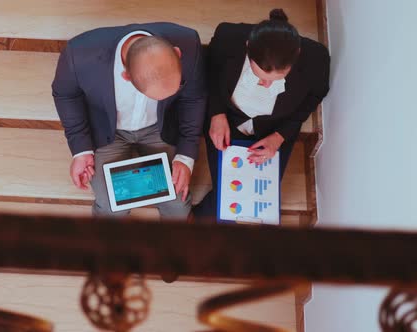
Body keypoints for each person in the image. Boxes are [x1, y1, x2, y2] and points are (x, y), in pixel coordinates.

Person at [52, 23, 206, 220]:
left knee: (177, 204)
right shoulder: (79, 54)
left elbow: (194, 99)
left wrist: (185, 157)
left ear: (177, 53)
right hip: (108, 131)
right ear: (126, 76)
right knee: (111, 208)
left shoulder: (189, 44)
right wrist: (81, 150)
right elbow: (66, 95)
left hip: (160, 128)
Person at [193, 9, 330, 218]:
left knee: (254, 202)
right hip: (227, 119)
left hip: (273, 130)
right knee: (226, 202)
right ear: (248, 47)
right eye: (260, 76)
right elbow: (209, 72)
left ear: (297, 55)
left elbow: (315, 95)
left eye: (276, 78)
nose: (265, 85)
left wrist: (280, 136)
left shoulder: (316, 58)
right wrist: (216, 113)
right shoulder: (227, 36)